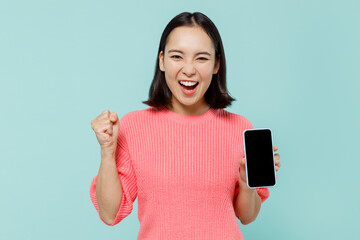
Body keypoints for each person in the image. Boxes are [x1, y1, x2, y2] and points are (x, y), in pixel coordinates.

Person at [90, 11, 281, 239]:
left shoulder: (239, 128)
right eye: (177, 57)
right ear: (161, 60)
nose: (189, 69)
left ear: (216, 64)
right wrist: (107, 152)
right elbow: (110, 213)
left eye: (201, 58)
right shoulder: (134, 126)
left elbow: (247, 216)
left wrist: (246, 181)